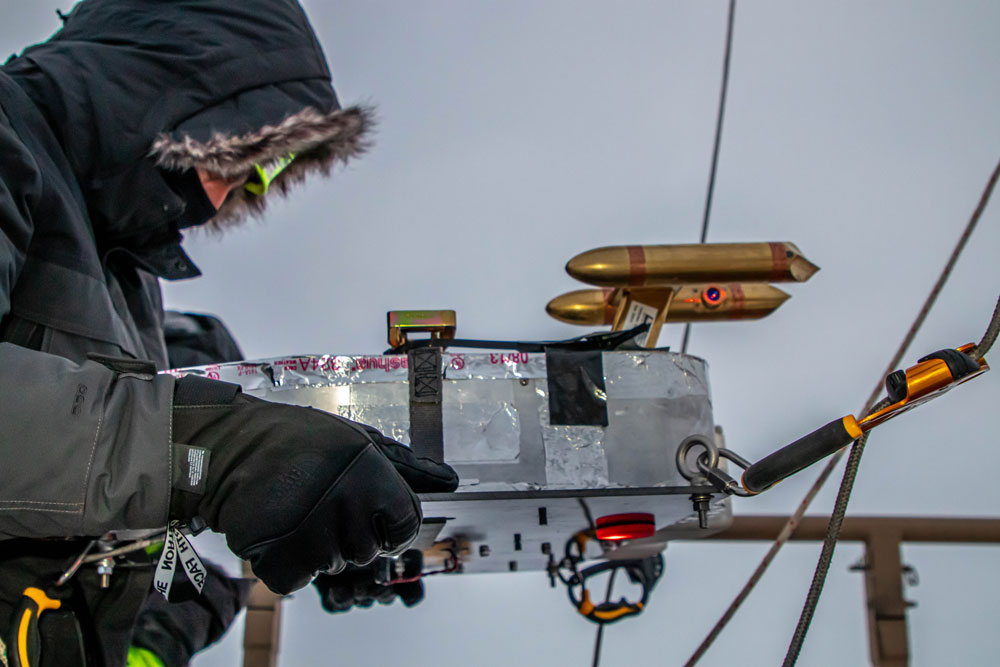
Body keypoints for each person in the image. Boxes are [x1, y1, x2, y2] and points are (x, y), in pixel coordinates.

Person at [0, 1, 458, 665]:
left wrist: (305, 514)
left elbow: (126, 507)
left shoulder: (127, 284)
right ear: (169, 88)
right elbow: (169, 451)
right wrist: (217, 449)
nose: (231, 195)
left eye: (266, 172)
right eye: (246, 153)